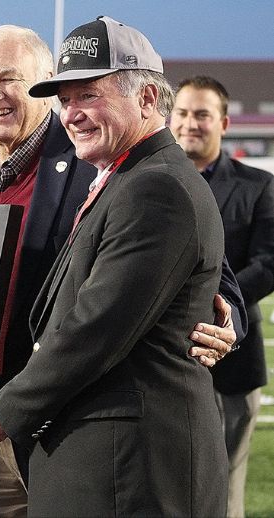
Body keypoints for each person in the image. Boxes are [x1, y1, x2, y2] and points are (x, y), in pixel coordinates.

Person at [0, 24, 246, 517]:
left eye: (8, 79)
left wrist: (224, 316)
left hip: (82, 428)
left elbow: (183, 283)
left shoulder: (124, 166)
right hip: (19, 425)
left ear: (148, 97)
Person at [170, 75, 274, 518]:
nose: (191, 123)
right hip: (161, 365)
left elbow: (269, 264)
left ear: (224, 123)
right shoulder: (144, 180)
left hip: (231, 363)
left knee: (223, 491)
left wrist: (211, 309)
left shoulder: (257, 186)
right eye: (183, 112)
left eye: (202, 115)